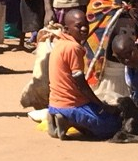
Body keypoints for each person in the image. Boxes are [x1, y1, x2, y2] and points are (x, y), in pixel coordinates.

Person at [45, 8, 125, 140]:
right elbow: (81, 84)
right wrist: (101, 105)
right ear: (67, 29)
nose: (84, 29)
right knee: (113, 126)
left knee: (102, 115)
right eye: (78, 26)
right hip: (70, 105)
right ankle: (68, 120)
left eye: (86, 25)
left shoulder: (60, 43)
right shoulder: (73, 48)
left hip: (55, 104)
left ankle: (65, 119)